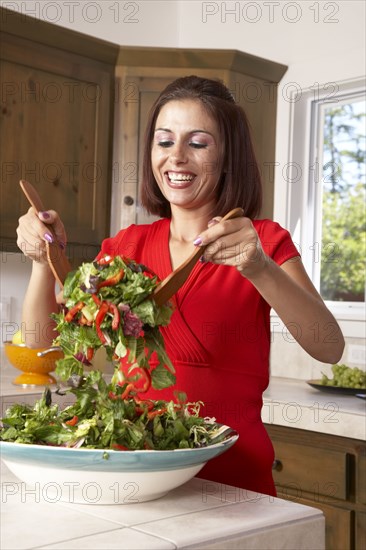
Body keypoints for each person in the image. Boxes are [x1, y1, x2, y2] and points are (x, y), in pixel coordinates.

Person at [17, 75, 345, 496]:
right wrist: (44, 261)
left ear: (228, 156)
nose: (177, 157)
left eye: (198, 143)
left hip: (233, 480)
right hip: (136, 473)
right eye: (165, 141)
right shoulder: (125, 248)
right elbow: (45, 345)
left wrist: (259, 268)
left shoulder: (262, 241)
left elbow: (329, 347)